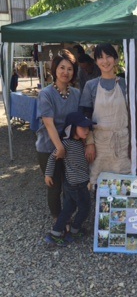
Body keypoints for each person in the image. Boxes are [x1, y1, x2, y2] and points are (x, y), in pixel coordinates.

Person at [36, 49, 80, 223]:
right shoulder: (46, 94)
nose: (65, 72)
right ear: (54, 69)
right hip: (48, 146)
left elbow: (80, 120)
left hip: (70, 146)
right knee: (54, 186)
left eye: (69, 69)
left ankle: (68, 216)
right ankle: (57, 219)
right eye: (62, 68)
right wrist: (59, 148)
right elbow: (48, 123)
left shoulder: (76, 93)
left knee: (71, 184)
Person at [79, 43, 131, 188]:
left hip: (122, 143)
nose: (105, 61)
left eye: (108, 56)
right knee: (100, 184)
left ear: (115, 59)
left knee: (123, 185)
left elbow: (132, 117)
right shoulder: (91, 85)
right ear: (96, 61)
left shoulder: (125, 85)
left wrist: (133, 144)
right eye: (100, 57)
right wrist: (89, 143)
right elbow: (85, 117)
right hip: (99, 143)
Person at [44, 111, 95, 246]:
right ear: (71, 128)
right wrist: (48, 174)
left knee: (68, 209)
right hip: (77, 184)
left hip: (75, 183)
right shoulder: (66, 144)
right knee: (85, 208)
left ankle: (55, 233)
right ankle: (74, 230)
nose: (87, 130)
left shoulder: (80, 143)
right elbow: (52, 158)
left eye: (88, 128)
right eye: (83, 128)